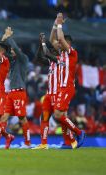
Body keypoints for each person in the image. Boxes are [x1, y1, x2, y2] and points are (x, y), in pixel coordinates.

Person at [33, 33, 76, 149]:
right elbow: (37, 59)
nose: (51, 51)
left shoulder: (60, 61)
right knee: (45, 117)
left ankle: (72, 141)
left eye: (53, 50)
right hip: (49, 94)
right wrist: (40, 45)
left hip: (58, 94)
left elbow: (47, 53)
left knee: (61, 119)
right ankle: (44, 143)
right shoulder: (51, 63)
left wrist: (43, 43)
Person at [49, 13, 86, 148]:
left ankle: (79, 132)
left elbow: (59, 37)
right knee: (62, 116)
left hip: (67, 86)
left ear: (67, 43)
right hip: (61, 87)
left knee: (58, 115)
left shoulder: (72, 53)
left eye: (62, 42)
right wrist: (55, 23)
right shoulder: (61, 54)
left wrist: (60, 23)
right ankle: (69, 142)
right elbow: (52, 38)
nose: (59, 43)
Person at [0, 26, 31, 148]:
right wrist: (4, 37)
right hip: (11, 93)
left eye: (13, 50)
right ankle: (6, 139)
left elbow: (17, 50)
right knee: (4, 118)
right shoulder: (12, 62)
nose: (12, 51)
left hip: (19, 92)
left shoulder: (23, 59)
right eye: (11, 50)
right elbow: (1, 50)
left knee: (22, 118)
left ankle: (28, 143)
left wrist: (9, 37)